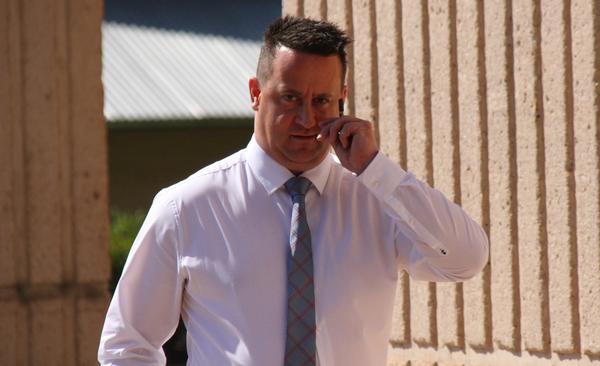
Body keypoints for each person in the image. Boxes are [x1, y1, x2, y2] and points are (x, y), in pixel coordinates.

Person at [98, 15, 488, 366]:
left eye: (322, 101)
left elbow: (465, 259)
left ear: (342, 101)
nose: (306, 119)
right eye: (290, 98)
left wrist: (377, 170)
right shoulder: (187, 207)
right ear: (255, 93)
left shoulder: (374, 199)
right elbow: (126, 346)